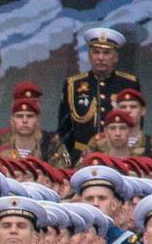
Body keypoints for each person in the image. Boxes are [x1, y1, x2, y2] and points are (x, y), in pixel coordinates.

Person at [58, 27, 138, 155]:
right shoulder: (73, 84)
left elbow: (136, 126)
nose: (100, 57)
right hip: (82, 157)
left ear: (115, 57)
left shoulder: (129, 84)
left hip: (118, 156)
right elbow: (64, 130)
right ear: (89, 56)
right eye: (96, 52)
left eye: (106, 53)